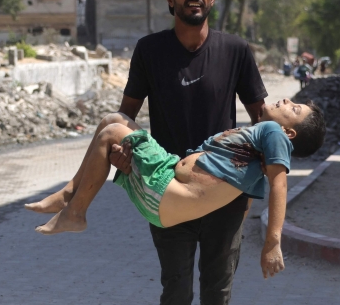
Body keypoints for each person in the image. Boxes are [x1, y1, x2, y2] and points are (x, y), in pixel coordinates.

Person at [85, 0, 268, 305]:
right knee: (175, 296)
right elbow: (124, 116)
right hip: (169, 194)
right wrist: (123, 154)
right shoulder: (149, 51)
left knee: (217, 298)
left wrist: (256, 185)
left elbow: (263, 124)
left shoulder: (236, 51)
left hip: (224, 197)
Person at [27, 98, 324, 238]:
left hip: (167, 192)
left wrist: (272, 241)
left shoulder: (272, 133)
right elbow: (243, 199)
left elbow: (280, 185)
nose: (287, 100)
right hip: (165, 188)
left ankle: (75, 212)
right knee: (111, 120)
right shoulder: (254, 153)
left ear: (288, 135)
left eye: (294, 109)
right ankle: (68, 193)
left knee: (110, 131)